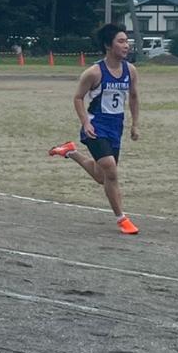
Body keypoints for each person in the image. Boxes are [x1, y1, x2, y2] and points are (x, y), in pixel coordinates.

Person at [48, 24, 141, 234]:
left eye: (127, 41)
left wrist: (135, 124)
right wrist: (85, 122)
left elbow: (134, 97)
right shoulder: (94, 72)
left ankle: (70, 151)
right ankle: (122, 219)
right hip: (95, 126)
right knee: (111, 169)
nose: (126, 45)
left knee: (102, 176)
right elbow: (78, 97)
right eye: (121, 41)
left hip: (115, 127)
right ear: (108, 45)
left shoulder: (130, 70)